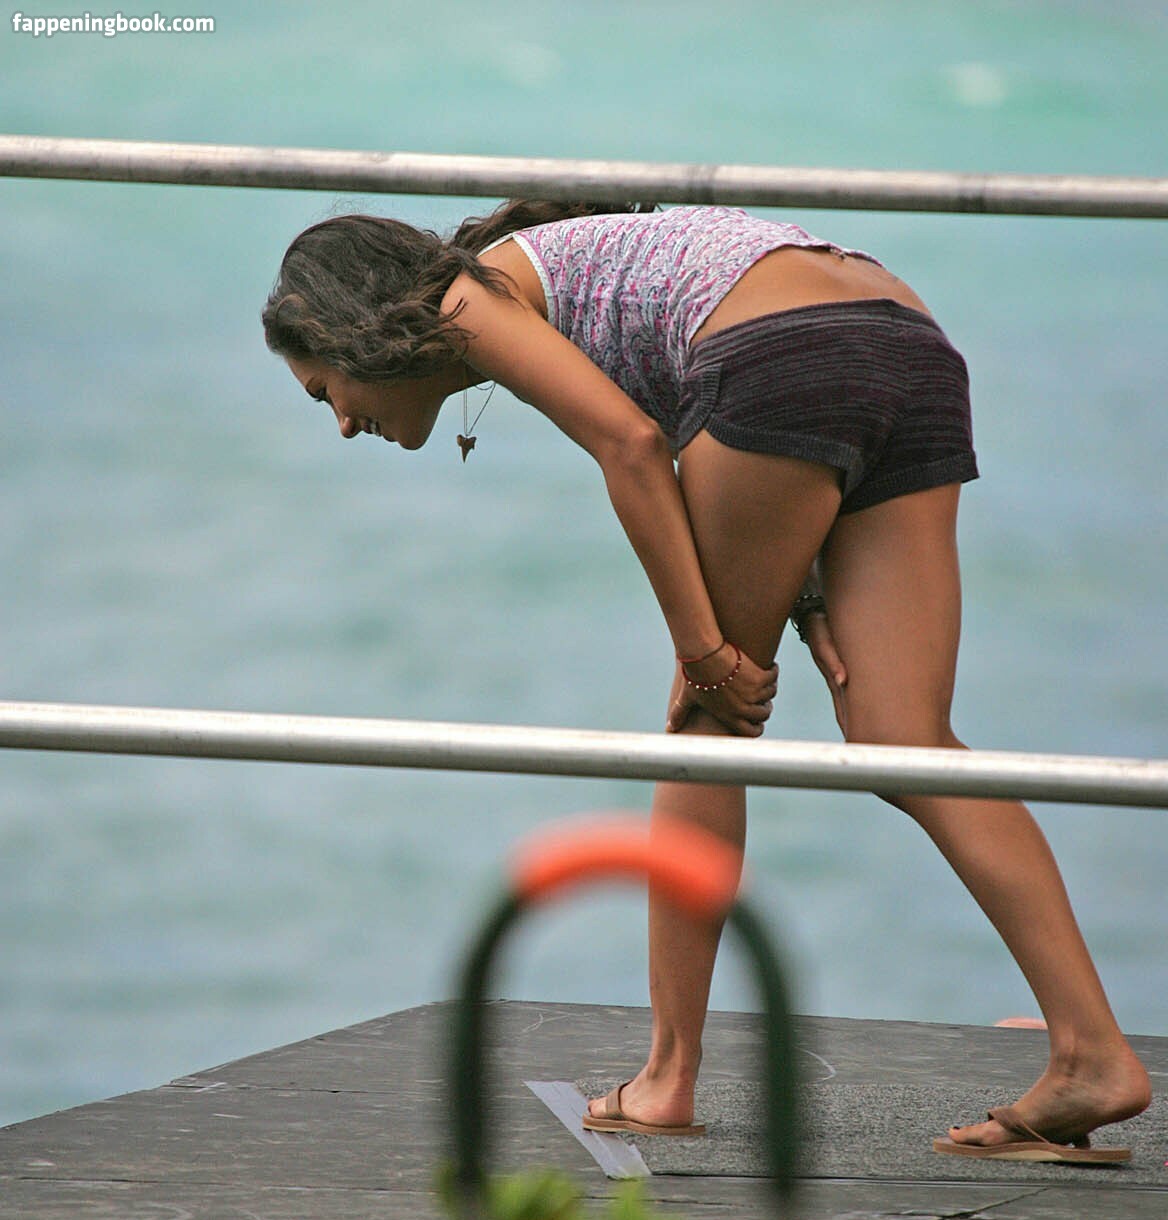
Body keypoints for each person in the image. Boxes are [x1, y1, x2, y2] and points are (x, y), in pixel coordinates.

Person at [262, 200, 1150, 1162]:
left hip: (788, 353)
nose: (342, 423)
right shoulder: (509, 282)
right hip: (903, 335)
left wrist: (704, 654)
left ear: (354, 328)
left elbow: (634, 444)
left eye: (324, 392)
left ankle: (667, 1076)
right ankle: (1091, 1054)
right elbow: (747, 413)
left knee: (705, 733)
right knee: (909, 741)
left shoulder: (466, 303)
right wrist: (805, 593)